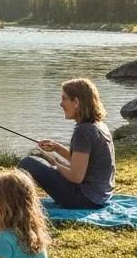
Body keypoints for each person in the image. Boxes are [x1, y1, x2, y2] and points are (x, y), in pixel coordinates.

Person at [19, 77, 115, 209]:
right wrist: (56, 148)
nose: (61, 104)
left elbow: (76, 177)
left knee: (28, 163)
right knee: (38, 163)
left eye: (64, 98)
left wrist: (53, 164)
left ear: (76, 102)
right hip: (100, 196)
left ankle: (17, 204)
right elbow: (81, 162)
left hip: (84, 199)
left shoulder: (83, 131)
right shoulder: (99, 125)